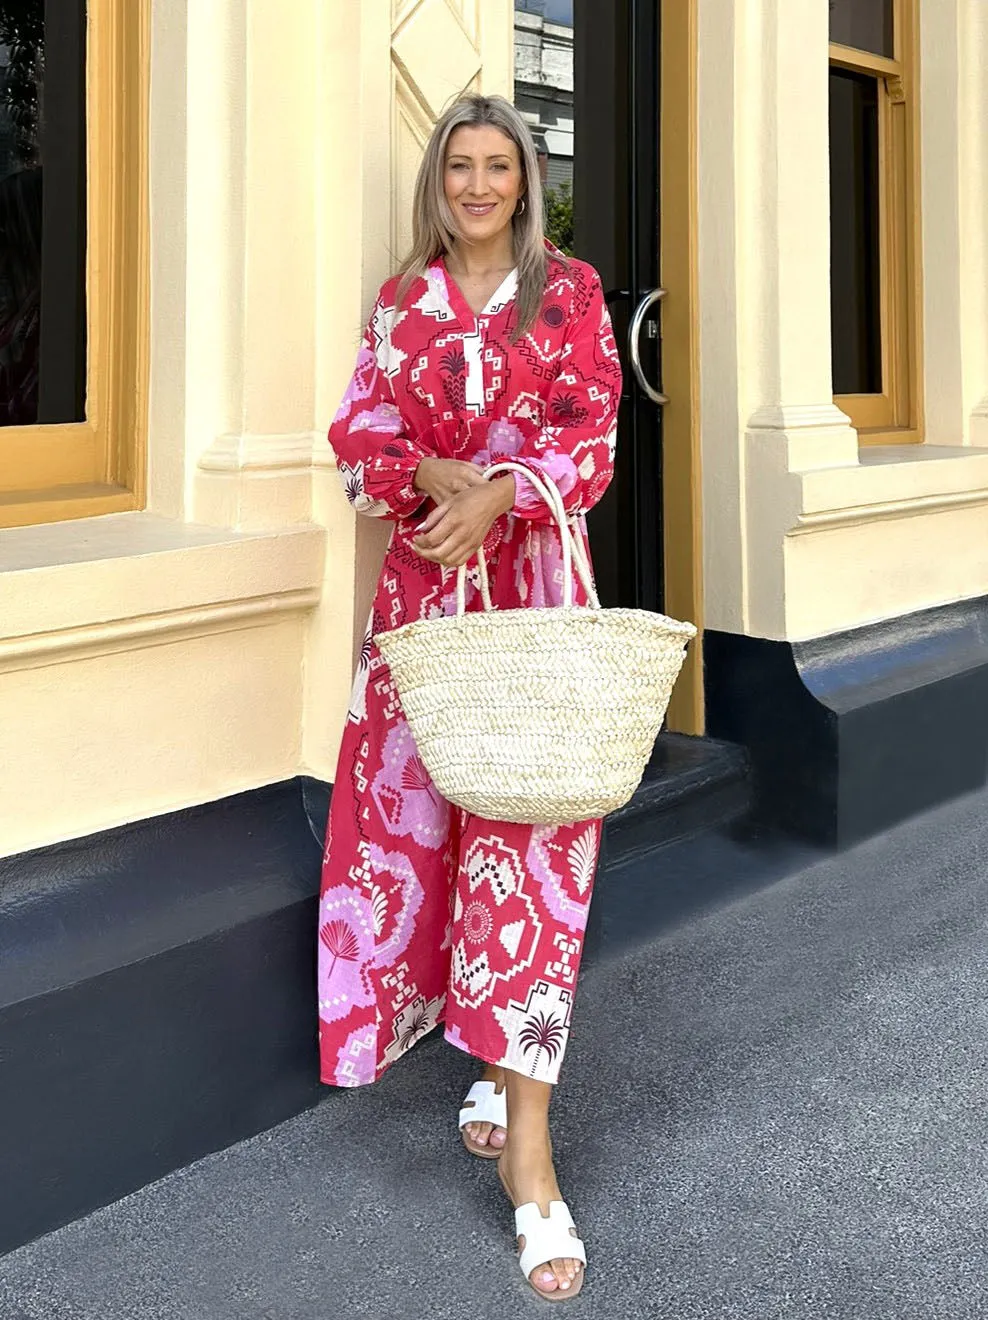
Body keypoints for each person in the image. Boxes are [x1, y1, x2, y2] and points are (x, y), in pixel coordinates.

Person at [319, 92, 621, 1301]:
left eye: (500, 166)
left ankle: (532, 1163)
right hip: (419, 615)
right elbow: (356, 434)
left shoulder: (574, 295)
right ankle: (482, 1060)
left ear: (527, 181)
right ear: (438, 183)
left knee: (532, 852)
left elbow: (591, 435)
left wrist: (500, 490)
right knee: (435, 841)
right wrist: (425, 473)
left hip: (532, 604)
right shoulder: (403, 303)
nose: (480, 186)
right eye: (462, 166)